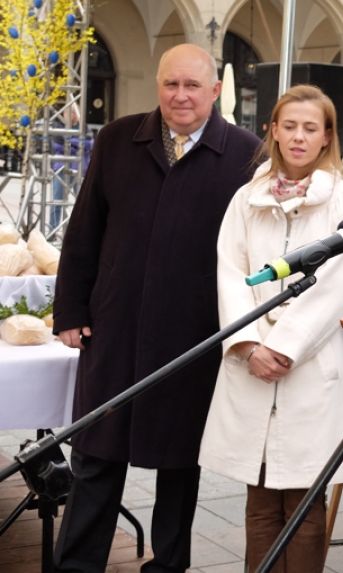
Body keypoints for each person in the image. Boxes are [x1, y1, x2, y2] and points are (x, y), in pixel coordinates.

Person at [53, 43, 262, 573]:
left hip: (192, 337)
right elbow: (84, 231)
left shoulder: (246, 154)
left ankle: (168, 567)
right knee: (96, 455)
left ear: (215, 92)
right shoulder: (119, 138)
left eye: (193, 85)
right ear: (159, 87)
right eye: (171, 84)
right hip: (114, 328)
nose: (180, 95)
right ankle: (76, 565)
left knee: (181, 465)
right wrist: (70, 310)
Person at [198, 85, 343, 573]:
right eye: (288, 126)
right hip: (252, 366)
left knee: (305, 505)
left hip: (309, 369)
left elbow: (341, 282)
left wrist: (285, 347)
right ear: (272, 130)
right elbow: (230, 271)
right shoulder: (246, 199)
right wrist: (249, 344)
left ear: (326, 136)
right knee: (259, 502)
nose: (298, 137)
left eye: (310, 128)